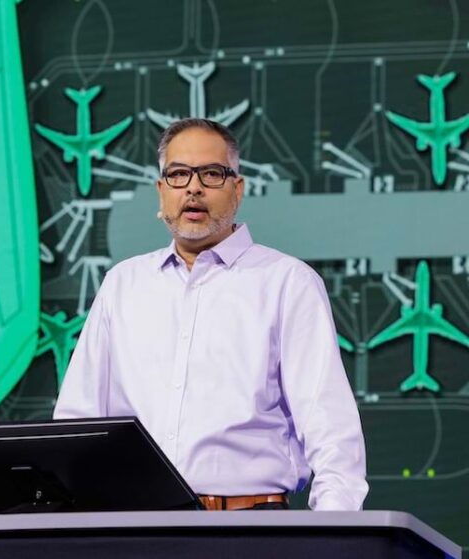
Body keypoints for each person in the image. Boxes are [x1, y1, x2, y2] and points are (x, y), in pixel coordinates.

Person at [53, 118, 368, 511]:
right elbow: (77, 424)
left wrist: (333, 532)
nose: (193, 188)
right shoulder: (123, 284)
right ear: (161, 191)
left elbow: (330, 427)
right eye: (178, 174)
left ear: (238, 189)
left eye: (212, 174)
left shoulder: (287, 282)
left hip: (250, 526)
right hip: (135, 524)